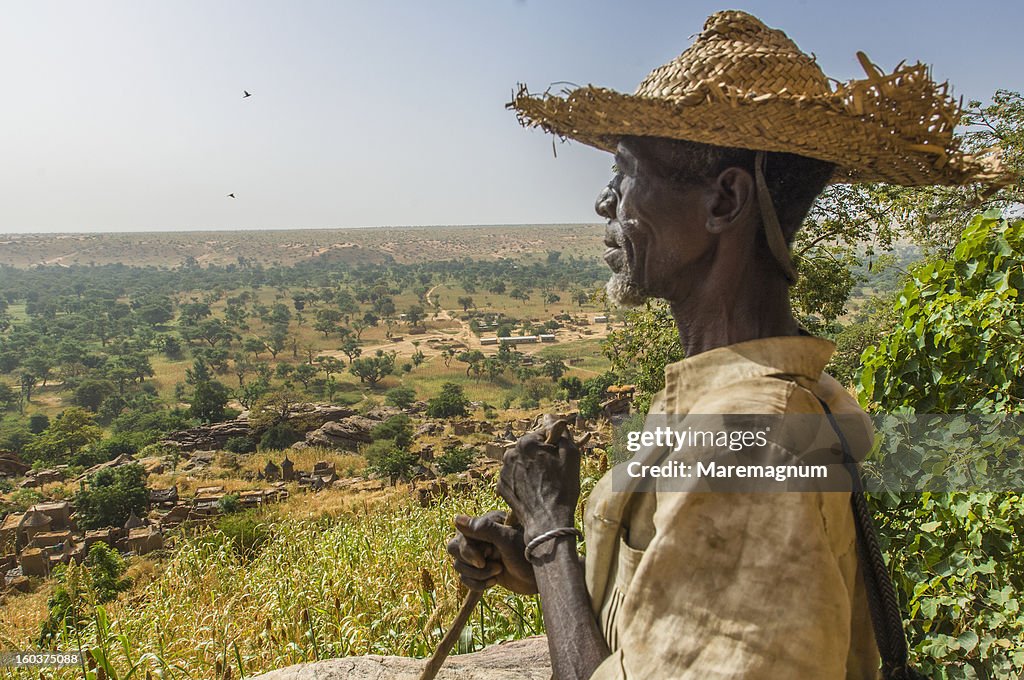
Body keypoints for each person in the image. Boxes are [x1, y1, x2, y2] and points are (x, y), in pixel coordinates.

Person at [447, 10, 1012, 679]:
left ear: (725, 201)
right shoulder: (759, 402)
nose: (607, 201)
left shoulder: (751, 434)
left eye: (627, 170)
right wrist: (549, 568)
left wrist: (547, 531)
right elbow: (681, 617)